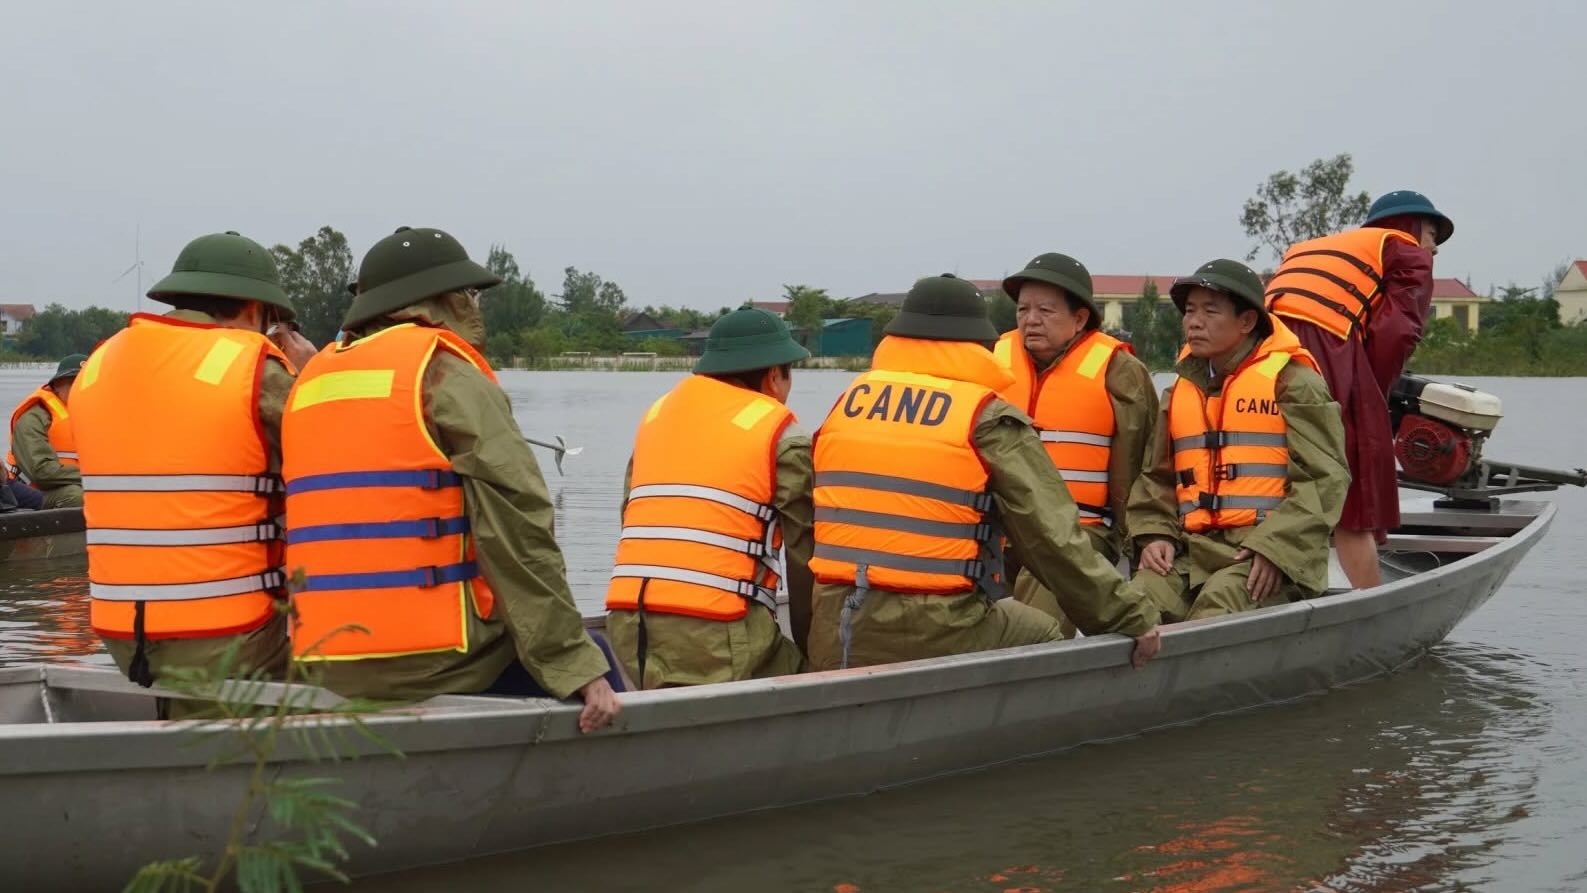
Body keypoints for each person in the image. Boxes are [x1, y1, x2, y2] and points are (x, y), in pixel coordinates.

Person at [281, 226, 619, 733]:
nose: (474, 306)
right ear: (436, 300)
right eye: (468, 293)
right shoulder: (443, 372)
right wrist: (576, 667)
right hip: (436, 662)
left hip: (323, 663)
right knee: (598, 658)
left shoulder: (307, 382)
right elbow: (517, 532)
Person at [806, 274, 1162, 671]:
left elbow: (804, 535)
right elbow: (1053, 541)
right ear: (977, 343)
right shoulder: (985, 417)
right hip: (936, 629)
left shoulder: (847, 405)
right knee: (1043, 633)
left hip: (834, 625)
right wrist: (1130, 617)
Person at [71, 231, 318, 693]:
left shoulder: (99, 362)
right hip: (232, 633)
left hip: (121, 636)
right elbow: (336, 465)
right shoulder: (254, 367)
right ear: (251, 307)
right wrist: (313, 371)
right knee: (353, 639)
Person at [1129, 259, 1349, 621]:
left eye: (1210, 311)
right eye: (1189, 311)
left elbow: (1325, 479)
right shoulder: (1179, 391)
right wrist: (1154, 534)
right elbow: (1157, 478)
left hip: (1266, 553)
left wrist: (1274, 548)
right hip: (1190, 552)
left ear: (1247, 321)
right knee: (1133, 607)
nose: (1193, 322)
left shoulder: (1295, 383)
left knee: (1218, 608)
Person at [604, 307, 813, 687]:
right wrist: (816, 648)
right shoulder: (779, 433)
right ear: (773, 376)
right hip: (717, 634)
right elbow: (805, 557)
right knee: (806, 675)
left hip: (627, 627)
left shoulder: (657, 416)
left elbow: (630, 518)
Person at [1266, 190, 1451, 589]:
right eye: (1433, 233)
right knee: (1357, 483)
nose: (1434, 248)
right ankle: (1370, 599)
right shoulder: (1407, 252)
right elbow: (1396, 334)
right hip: (1327, 350)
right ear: (1409, 225)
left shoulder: (1312, 248)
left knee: (1280, 473)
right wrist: (1373, 396)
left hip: (1266, 353)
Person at [993, 253, 1158, 633]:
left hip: (1079, 530)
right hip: (998, 528)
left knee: (1037, 619)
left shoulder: (1121, 372)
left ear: (1080, 318)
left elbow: (1147, 467)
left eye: (1046, 311)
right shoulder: (992, 361)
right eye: (1023, 309)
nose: (1030, 320)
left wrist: (1140, 539)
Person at [6, 354, 86, 509]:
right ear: (56, 385)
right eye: (74, 383)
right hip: (27, 491)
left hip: (77, 482)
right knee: (76, 496)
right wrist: (94, 478)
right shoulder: (33, 418)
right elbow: (41, 472)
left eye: (86, 383)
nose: (81, 389)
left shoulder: (96, 417)